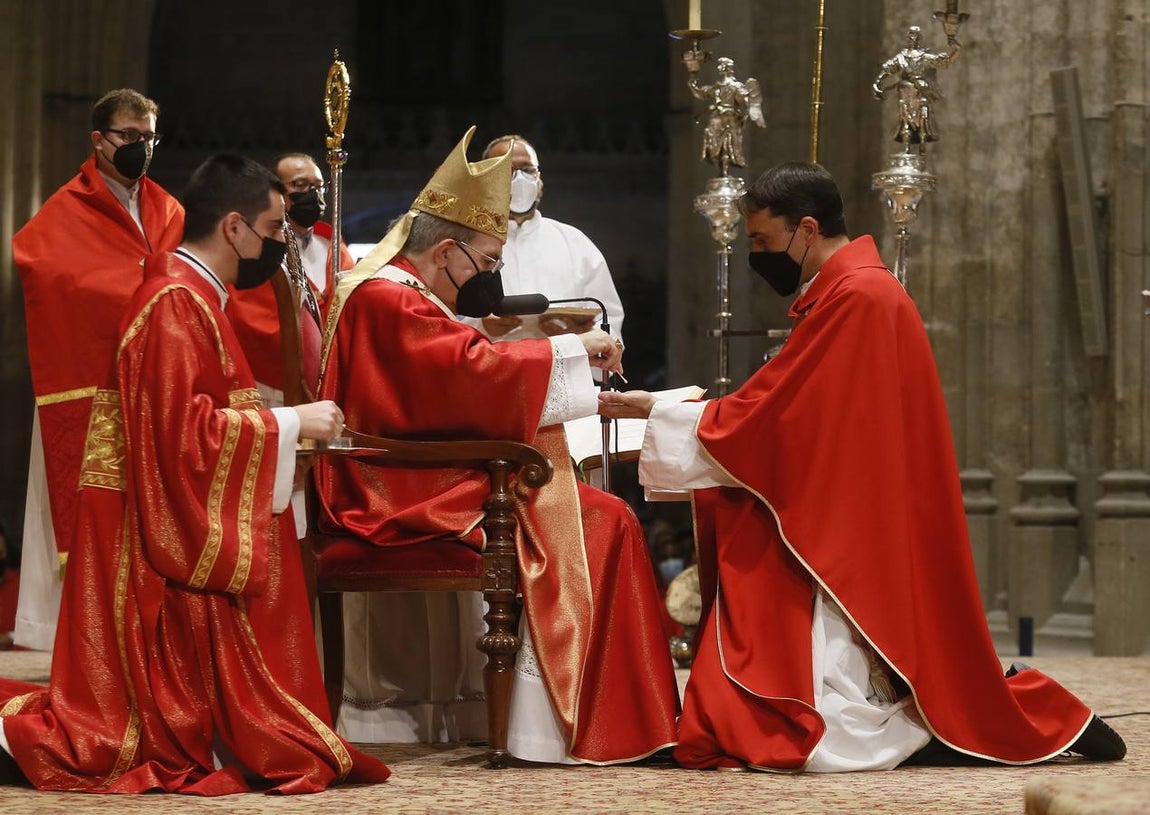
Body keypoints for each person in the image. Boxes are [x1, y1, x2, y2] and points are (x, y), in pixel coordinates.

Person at [599, 162, 1126, 772]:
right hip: (851, 492)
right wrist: (678, 410)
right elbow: (785, 409)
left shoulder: (859, 297)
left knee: (759, 551)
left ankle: (872, 721)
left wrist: (664, 410)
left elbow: (777, 420)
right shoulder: (850, 291)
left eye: (764, 242)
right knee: (750, 518)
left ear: (807, 229)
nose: (759, 256)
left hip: (856, 504)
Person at [0, 155, 390, 793]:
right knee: (120, 732)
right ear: (234, 228)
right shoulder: (177, 302)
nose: (278, 243)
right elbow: (187, 440)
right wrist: (292, 423)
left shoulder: (190, 293)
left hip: (156, 507)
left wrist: (279, 423)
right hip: (151, 527)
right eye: (271, 227)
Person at [314, 127, 679, 764]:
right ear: (448, 250)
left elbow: (458, 377)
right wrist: (573, 350)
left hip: (425, 472)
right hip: (398, 489)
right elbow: (469, 370)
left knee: (604, 516)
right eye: (486, 262)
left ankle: (593, 716)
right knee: (606, 520)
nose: (489, 275)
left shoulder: (402, 292)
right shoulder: (387, 297)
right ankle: (564, 726)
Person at [12, 88, 185, 652]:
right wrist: (128, 294)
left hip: (155, 391)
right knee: (88, 518)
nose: (142, 148)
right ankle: (75, 636)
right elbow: (46, 269)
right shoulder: (65, 210)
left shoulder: (168, 209)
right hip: (87, 388)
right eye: (130, 137)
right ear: (98, 140)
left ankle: (145, 633)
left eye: (150, 137)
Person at [226, 152, 355, 406]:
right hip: (271, 387)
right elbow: (248, 314)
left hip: (329, 383)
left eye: (318, 186)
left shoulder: (333, 246)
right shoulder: (257, 246)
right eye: (299, 185)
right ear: (275, 191)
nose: (312, 193)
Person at [474, 135, 625, 344]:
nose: (519, 179)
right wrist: (480, 327)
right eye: (506, 171)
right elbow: (443, 321)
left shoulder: (575, 243)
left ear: (539, 179)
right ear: (485, 181)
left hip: (562, 370)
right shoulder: (466, 245)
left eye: (527, 170)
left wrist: (582, 336)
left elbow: (608, 319)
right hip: (495, 370)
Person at [872, 23, 963, 153]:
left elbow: (945, 62)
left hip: (920, 94)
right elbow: (888, 69)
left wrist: (956, 50)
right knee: (905, 121)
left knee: (922, 120)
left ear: (918, 38)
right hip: (904, 95)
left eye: (914, 35)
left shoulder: (924, 57)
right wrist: (878, 83)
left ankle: (922, 146)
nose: (911, 38)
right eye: (910, 35)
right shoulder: (901, 57)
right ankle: (907, 147)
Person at [684, 56, 765, 176]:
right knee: (715, 148)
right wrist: (692, 79)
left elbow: (746, 102)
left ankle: (724, 172)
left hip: (730, 120)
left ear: (728, 68)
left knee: (727, 147)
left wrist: (746, 115)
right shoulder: (717, 86)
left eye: (722, 65)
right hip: (716, 121)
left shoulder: (736, 86)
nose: (719, 67)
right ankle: (721, 172)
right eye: (719, 65)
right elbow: (701, 93)